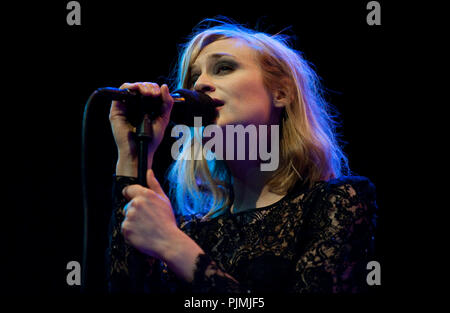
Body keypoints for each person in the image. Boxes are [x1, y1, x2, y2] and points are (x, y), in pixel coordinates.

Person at [106, 19, 378, 293]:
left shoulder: (337, 202)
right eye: (193, 77)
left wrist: (174, 246)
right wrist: (131, 157)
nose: (199, 84)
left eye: (223, 68)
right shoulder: (191, 230)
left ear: (281, 93)